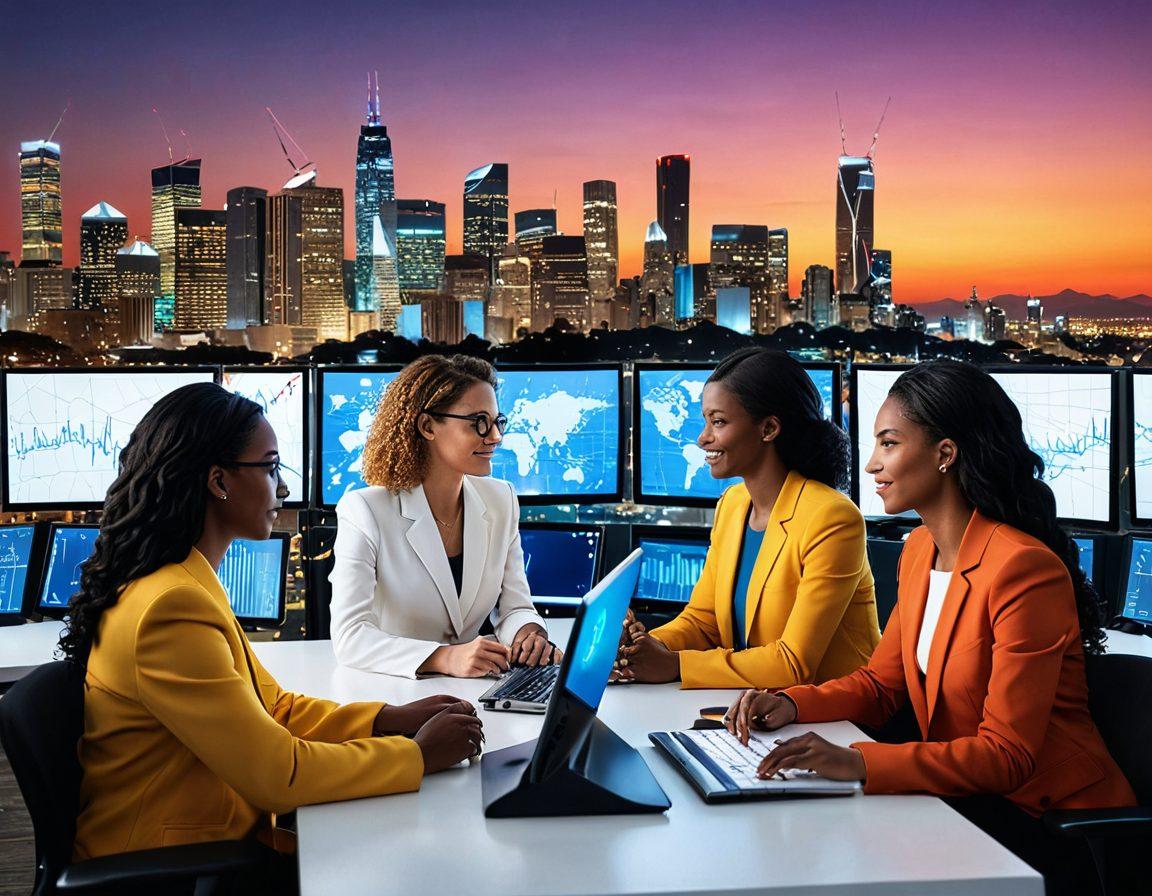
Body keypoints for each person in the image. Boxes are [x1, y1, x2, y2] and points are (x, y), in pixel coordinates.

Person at [725, 360, 1135, 895]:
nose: (871, 464)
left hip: (1046, 824)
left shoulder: (1021, 569)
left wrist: (855, 761)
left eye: (889, 443)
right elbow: (882, 685)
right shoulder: (919, 549)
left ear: (945, 454)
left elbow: (1005, 757)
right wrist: (790, 702)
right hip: (964, 799)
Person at [62, 383, 483, 877]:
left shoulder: (181, 582)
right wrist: (416, 755)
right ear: (219, 481)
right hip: (165, 870)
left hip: (211, 844)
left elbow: (274, 708)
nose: (282, 488)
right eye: (269, 467)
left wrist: (387, 718)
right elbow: (279, 775)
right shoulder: (169, 608)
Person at [616, 347, 880, 688]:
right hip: (757, 708)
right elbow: (703, 621)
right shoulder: (733, 504)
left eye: (718, 421)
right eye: (705, 420)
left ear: (768, 428)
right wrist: (645, 648)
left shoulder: (832, 518)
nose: (702, 438)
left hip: (834, 720)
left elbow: (792, 663)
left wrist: (675, 664)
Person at [329, 355, 556, 678]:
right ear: (427, 426)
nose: (495, 437)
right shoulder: (365, 511)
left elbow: (514, 607)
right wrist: (445, 658)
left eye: (497, 421)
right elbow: (350, 637)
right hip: (395, 696)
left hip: (477, 692)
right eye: (478, 422)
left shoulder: (501, 499)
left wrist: (528, 636)